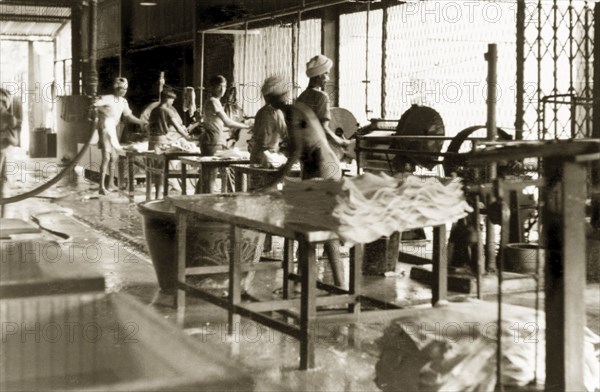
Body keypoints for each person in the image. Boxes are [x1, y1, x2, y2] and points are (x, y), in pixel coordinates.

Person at [257, 75, 345, 287]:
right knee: (309, 226)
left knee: (322, 227)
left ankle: (339, 286)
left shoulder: (294, 112)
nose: (271, 104)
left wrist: (275, 180)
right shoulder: (292, 111)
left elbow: (297, 151)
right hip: (318, 166)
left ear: (277, 97)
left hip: (324, 167)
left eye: (272, 99)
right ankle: (302, 282)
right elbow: (300, 145)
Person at [94, 77, 147, 195]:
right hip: (104, 128)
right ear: (115, 88)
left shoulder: (123, 102)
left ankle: (111, 184)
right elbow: (92, 105)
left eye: (125, 89)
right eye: (121, 88)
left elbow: (129, 116)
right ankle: (101, 187)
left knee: (114, 157)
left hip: (114, 129)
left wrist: (142, 122)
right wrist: (102, 110)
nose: (123, 91)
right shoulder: (107, 98)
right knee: (106, 157)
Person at [200, 75, 250, 193]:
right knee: (210, 178)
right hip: (211, 141)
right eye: (219, 87)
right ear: (212, 87)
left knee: (206, 176)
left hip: (212, 140)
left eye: (224, 87)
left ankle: (199, 201)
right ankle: (207, 203)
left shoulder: (213, 101)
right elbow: (227, 122)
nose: (222, 90)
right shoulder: (213, 101)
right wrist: (247, 126)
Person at [296, 55, 350, 153]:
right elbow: (323, 129)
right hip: (317, 150)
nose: (328, 78)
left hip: (304, 151)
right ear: (320, 75)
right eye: (327, 74)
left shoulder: (301, 97)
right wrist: (343, 143)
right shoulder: (322, 96)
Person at [147, 89, 192, 196]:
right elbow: (177, 127)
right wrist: (187, 136)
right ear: (167, 99)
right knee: (163, 171)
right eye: (172, 100)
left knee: (155, 171)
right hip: (161, 142)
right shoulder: (167, 111)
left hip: (152, 142)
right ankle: (163, 197)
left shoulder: (154, 110)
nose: (172, 103)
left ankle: (157, 195)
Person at [248, 76, 288, 175]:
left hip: (260, 157)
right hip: (265, 159)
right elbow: (284, 136)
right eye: (282, 95)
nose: (285, 98)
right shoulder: (272, 112)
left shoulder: (262, 112)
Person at [0, 88, 18, 205]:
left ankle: (4, 218)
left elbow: (15, 141)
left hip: (5, 152)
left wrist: (6, 136)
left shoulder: (9, 119)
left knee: (4, 186)